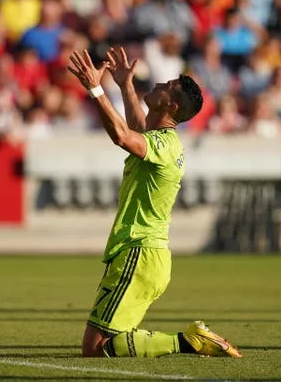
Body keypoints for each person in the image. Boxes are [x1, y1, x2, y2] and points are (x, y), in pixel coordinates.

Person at [67, 46, 242, 359]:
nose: (160, 84)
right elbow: (137, 129)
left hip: (139, 252)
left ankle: (187, 342)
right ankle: (185, 342)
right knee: (104, 346)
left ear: (171, 105)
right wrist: (124, 85)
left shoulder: (161, 144)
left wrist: (95, 88)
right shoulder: (162, 141)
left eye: (168, 86)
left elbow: (122, 135)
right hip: (147, 255)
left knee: (94, 349)